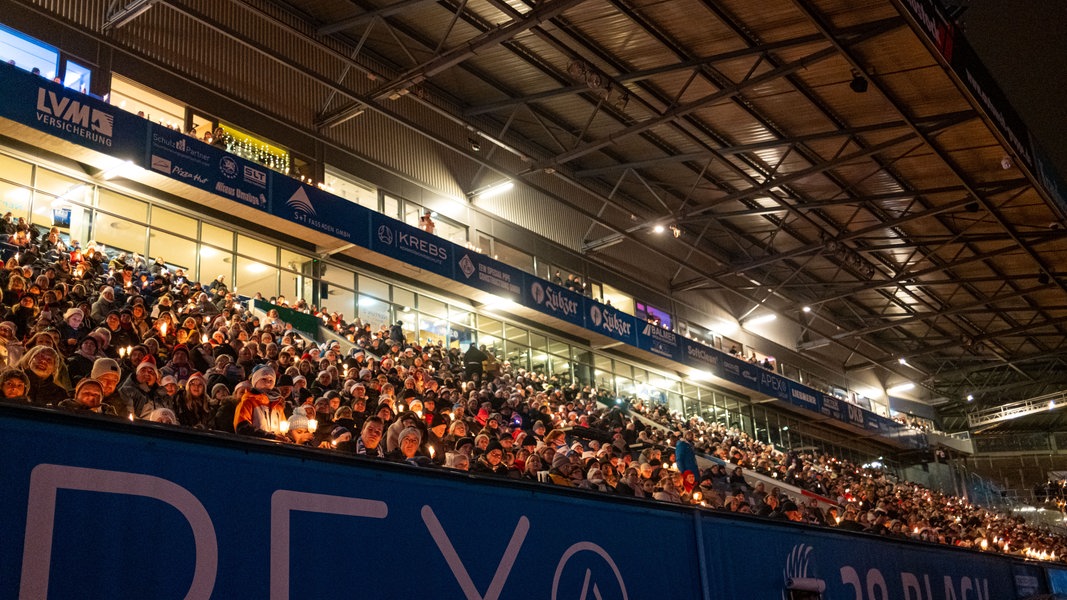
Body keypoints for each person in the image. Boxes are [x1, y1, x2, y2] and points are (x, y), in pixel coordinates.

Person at [233, 365, 285, 439]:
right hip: (255, 447)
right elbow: (242, 428)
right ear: (255, 381)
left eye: (271, 380)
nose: (268, 382)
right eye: (263, 379)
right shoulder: (248, 402)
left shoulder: (278, 405)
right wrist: (269, 436)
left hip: (275, 448)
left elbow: (284, 429)